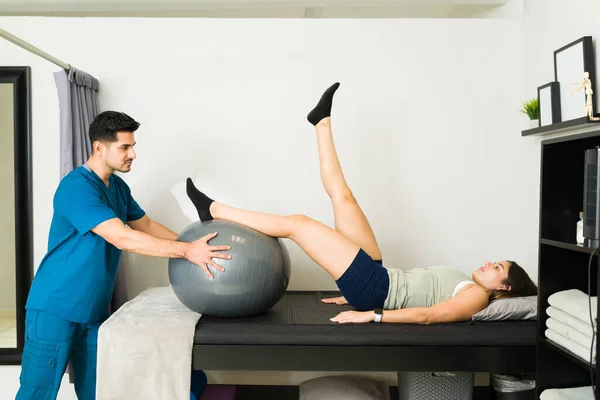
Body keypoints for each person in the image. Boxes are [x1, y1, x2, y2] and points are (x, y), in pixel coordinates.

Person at [185, 82, 538, 325]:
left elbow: (426, 316)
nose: (490, 263)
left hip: (374, 286)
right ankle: (321, 122)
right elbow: (418, 295)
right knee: (343, 196)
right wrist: (357, 295)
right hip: (377, 278)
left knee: (298, 223)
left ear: (504, 287)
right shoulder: (469, 282)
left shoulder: (476, 298)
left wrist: (370, 313)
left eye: (498, 267)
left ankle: (213, 209)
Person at [16, 111, 231, 400]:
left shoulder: (117, 187)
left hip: (94, 312)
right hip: (56, 307)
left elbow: (147, 226)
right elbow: (122, 237)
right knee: (37, 393)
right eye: (125, 147)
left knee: (100, 391)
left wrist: (195, 242)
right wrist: (187, 252)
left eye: (132, 146)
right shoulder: (76, 187)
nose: (133, 154)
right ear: (99, 147)